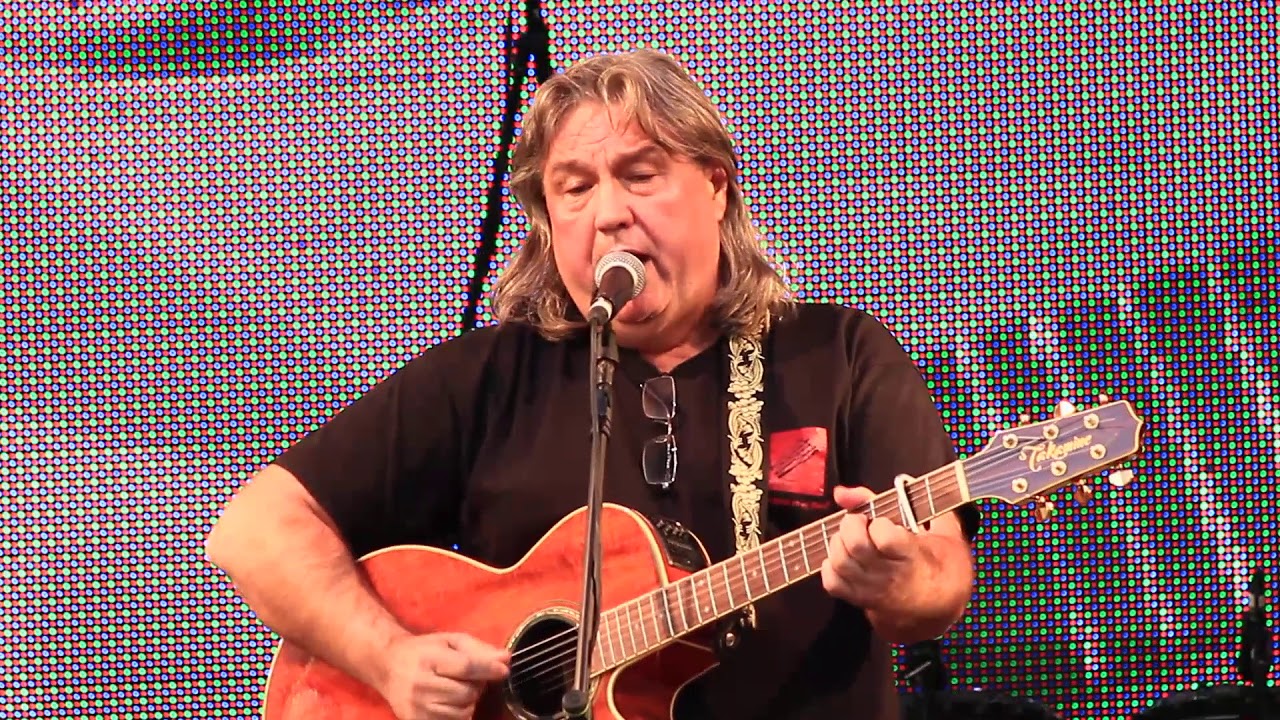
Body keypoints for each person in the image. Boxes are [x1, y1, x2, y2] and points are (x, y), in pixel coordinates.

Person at [205, 47, 980, 720]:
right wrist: (386, 659)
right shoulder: (491, 377)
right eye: (574, 188)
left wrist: (900, 577)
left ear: (716, 186)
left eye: (641, 175)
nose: (608, 214)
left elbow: (939, 579)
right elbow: (254, 530)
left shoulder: (839, 354)